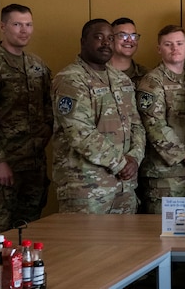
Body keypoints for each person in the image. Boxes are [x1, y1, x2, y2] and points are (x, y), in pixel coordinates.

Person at [0, 4, 52, 237]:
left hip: (32, 164)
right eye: (17, 24)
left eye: (28, 24)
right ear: (2, 27)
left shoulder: (37, 65)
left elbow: (48, 109)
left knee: (28, 229)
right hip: (0, 167)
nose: (24, 30)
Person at [51, 19, 145, 213]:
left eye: (110, 38)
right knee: (86, 244)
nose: (106, 43)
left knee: (126, 243)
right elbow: (80, 133)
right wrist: (120, 164)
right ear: (83, 41)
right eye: (99, 37)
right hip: (87, 189)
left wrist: (135, 158)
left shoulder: (122, 79)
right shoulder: (70, 79)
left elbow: (137, 125)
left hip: (124, 187)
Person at [135, 25, 185, 214]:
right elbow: (154, 125)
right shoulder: (151, 82)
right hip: (165, 177)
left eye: (179, 43)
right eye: (168, 44)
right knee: (166, 237)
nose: (175, 48)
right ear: (159, 49)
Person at [109, 17, 148, 84]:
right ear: (111, 39)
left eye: (133, 36)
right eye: (122, 35)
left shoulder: (147, 75)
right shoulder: (97, 73)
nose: (129, 40)